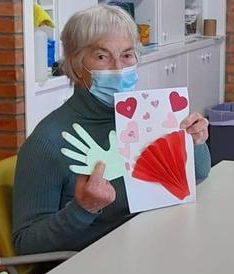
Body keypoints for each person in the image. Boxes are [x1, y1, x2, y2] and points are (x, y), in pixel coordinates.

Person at [11, 5, 212, 255]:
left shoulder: (148, 116)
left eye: (127, 55)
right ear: (75, 66)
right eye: (102, 57)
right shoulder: (48, 142)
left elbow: (198, 174)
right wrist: (83, 209)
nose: (118, 68)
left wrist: (196, 142)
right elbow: (25, 245)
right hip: (88, 271)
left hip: (151, 247)